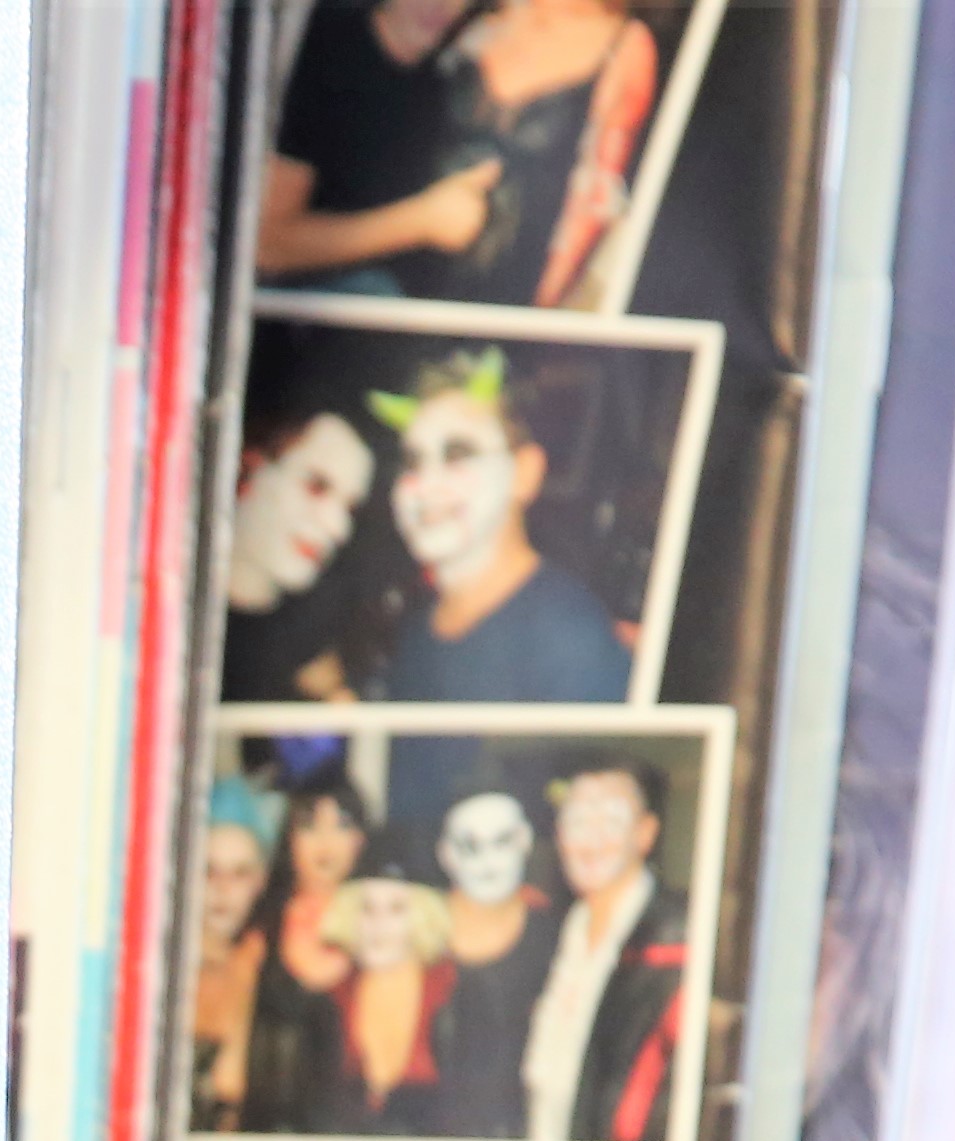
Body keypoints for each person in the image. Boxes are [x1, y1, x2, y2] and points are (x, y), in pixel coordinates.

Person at [370, 352, 631, 706]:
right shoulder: (414, 634)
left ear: (524, 473)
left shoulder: (570, 644)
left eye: (458, 455)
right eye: (412, 463)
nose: (426, 486)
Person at [436, 0, 669, 311]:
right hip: (401, 257)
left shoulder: (625, 43)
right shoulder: (479, 14)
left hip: (507, 283)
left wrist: (541, 309)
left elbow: (595, 194)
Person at [258, 0, 501, 291]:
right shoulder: (326, 47)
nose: (440, 4)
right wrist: (421, 221)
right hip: (304, 302)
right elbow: (268, 243)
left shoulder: (442, 83)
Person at [518, 754, 689, 1141]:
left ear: (644, 834)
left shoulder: (675, 943)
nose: (590, 842)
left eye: (611, 822)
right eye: (578, 821)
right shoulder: (552, 934)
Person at [219, 402, 381, 701]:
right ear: (249, 466)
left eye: (350, 508)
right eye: (316, 486)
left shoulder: (323, 648)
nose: (337, 528)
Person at [237, 781, 372, 1135]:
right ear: (290, 839)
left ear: (361, 839)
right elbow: (231, 1064)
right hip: (268, 1138)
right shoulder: (263, 930)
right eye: (310, 826)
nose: (326, 843)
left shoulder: (386, 928)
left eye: (342, 825)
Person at [419, 788, 553, 1140]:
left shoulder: (559, 936)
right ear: (446, 854)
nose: (488, 862)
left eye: (501, 842)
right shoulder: (411, 933)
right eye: (470, 847)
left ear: (524, 841)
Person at [323, 874, 456, 1136]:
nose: (378, 925)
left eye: (396, 909)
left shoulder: (449, 989)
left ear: (422, 916)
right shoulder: (334, 992)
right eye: (367, 908)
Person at [186, 811, 270, 1130]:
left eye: (239, 874)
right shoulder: (156, 969)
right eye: (208, 872)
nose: (222, 888)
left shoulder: (260, 970)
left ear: (259, 882)